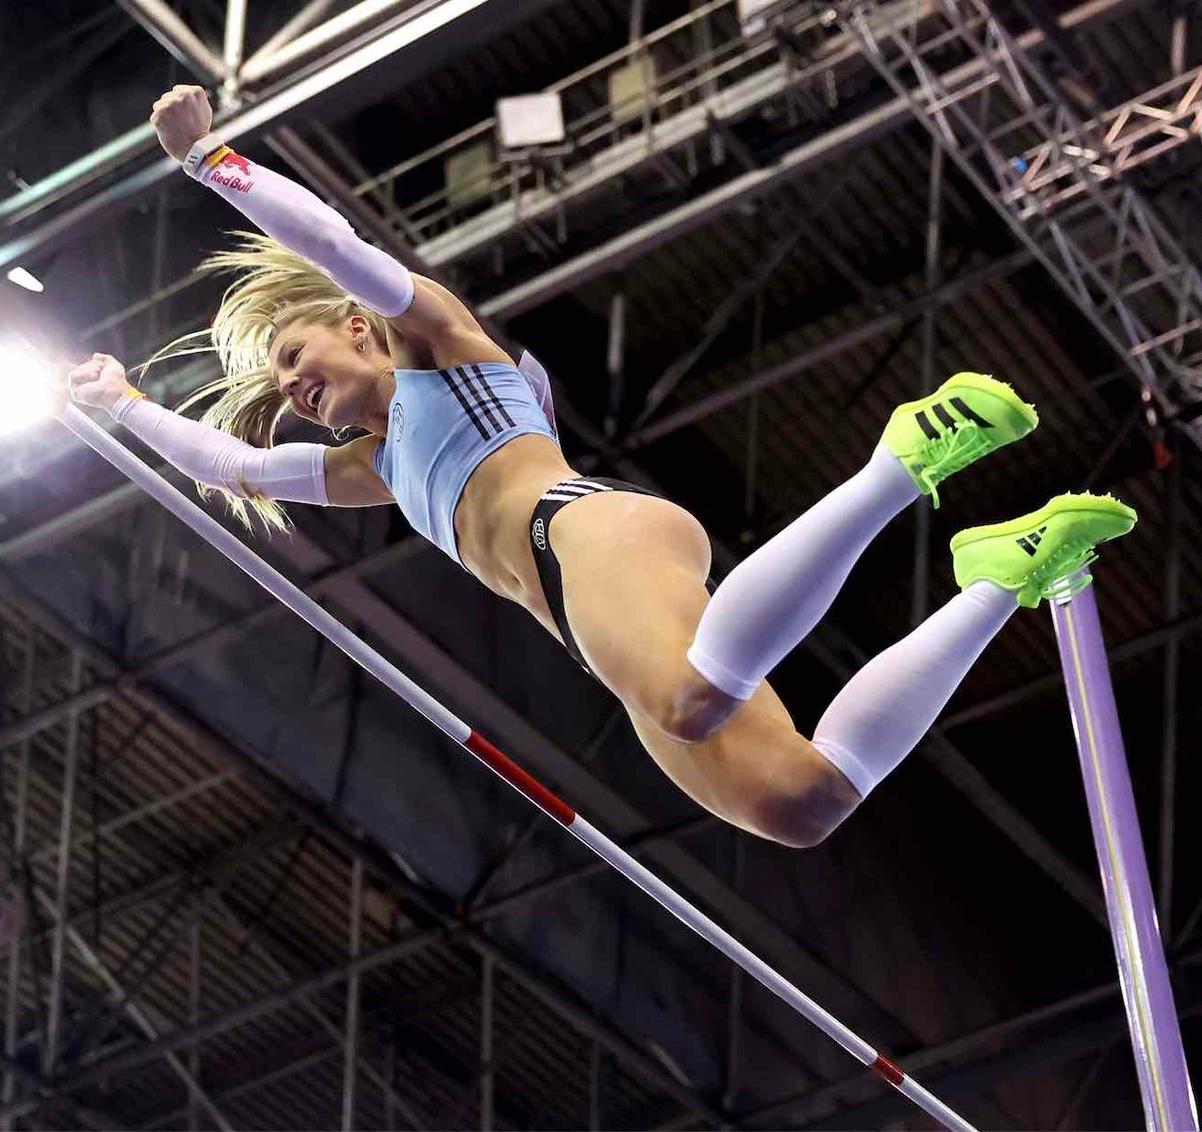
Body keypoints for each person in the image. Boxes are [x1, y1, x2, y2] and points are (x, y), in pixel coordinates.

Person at [68, 84, 1136, 848]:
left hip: (589, 534)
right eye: (280, 382)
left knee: (691, 700)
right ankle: (1001, 576)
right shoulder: (374, 471)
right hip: (585, 621)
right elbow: (238, 469)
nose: (291, 385)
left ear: (356, 327)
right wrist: (123, 407)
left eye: (295, 355)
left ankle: (899, 465)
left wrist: (211, 164)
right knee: (800, 803)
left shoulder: (437, 343)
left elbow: (340, 246)